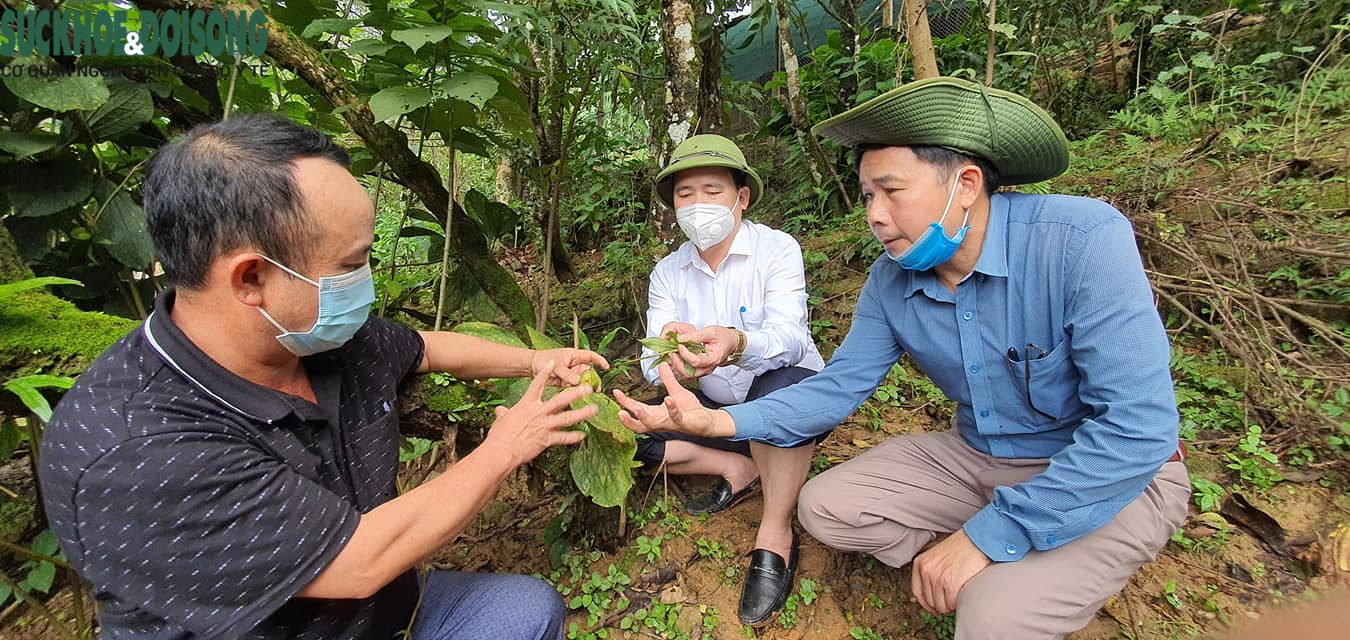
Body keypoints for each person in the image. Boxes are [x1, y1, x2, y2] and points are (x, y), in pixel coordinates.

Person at [614, 77, 1190, 639]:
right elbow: (838, 387)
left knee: (992, 618)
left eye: (892, 191)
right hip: (979, 455)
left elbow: (1137, 429)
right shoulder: (891, 281)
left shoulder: (1079, 239)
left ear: (964, 185)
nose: (874, 215)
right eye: (868, 195)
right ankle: (1007, 560)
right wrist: (714, 422)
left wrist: (993, 534)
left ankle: (1014, 565)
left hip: (1114, 473)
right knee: (825, 508)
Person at [38, 114, 608, 640]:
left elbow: (423, 347)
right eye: (352, 264)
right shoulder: (136, 448)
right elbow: (356, 563)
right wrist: (505, 448)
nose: (366, 280)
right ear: (251, 277)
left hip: (383, 613)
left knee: (525, 610)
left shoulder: (316, 336)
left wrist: (534, 360)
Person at [638, 134, 826, 625]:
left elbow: (790, 336)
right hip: (716, 416)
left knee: (778, 389)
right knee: (631, 429)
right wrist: (670, 360)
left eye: (712, 190)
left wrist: (736, 343)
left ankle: (775, 531)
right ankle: (739, 469)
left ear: (741, 197)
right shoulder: (668, 272)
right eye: (685, 194)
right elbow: (650, 354)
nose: (698, 205)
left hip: (787, 398)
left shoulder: (777, 250)